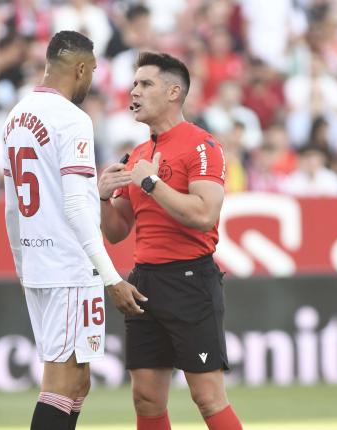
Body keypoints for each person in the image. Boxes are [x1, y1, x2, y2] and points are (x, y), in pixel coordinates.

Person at [2, 31, 146, 430]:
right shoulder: (72, 119)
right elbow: (77, 206)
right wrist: (112, 276)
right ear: (80, 68)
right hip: (67, 264)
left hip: (38, 260)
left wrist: (21, 265)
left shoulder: (16, 116)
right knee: (62, 380)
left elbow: (12, 204)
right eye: (93, 71)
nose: (92, 80)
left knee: (77, 382)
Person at [98, 52, 243, 430]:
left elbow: (203, 214)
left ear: (173, 91)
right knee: (145, 398)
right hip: (144, 281)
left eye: (145, 84)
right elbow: (116, 231)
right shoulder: (142, 153)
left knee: (207, 396)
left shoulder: (202, 145)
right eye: (134, 84)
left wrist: (150, 182)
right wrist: (100, 198)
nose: (134, 91)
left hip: (189, 280)